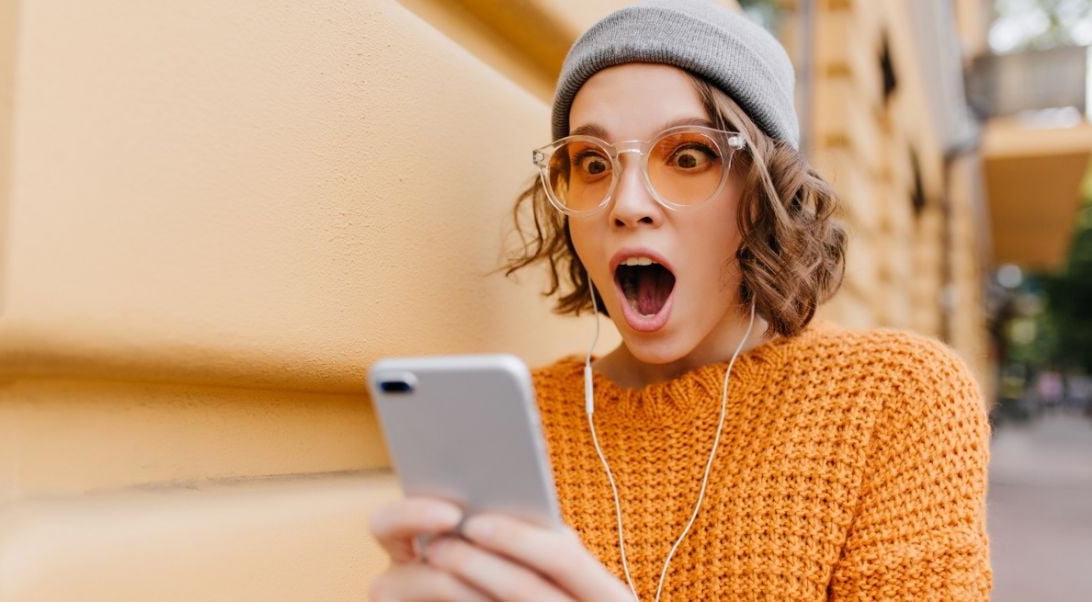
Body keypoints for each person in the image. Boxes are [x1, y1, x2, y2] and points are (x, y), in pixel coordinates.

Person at [368, 1, 992, 599]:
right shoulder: (517, 424)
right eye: (592, 162)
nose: (627, 203)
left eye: (688, 156)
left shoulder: (895, 398)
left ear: (766, 193)